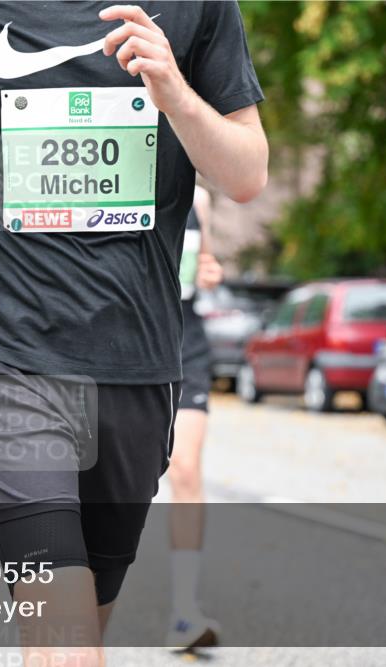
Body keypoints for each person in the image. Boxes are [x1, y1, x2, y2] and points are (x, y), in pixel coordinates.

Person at [0, 2, 267, 663]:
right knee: (66, 642)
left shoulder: (196, 7)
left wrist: (175, 92)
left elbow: (246, 173)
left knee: (82, 626)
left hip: (139, 366)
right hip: (5, 351)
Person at [165, 185, 224, 649]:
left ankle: (184, 610)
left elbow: (206, 266)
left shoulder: (199, 200)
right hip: (122, 337)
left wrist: (210, 272)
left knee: (185, 467)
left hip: (186, 339)